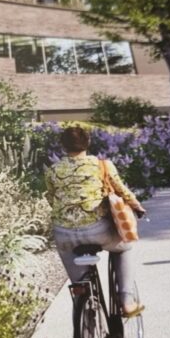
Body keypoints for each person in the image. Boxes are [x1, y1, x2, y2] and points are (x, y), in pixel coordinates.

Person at [45, 126, 146, 317]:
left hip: (64, 234)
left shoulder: (52, 170)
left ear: (63, 146)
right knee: (124, 248)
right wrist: (137, 206)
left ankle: (84, 320)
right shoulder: (102, 165)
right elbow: (121, 190)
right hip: (98, 230)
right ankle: (127, 301)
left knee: (79, 287)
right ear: (88, 143)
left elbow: (52, 198)